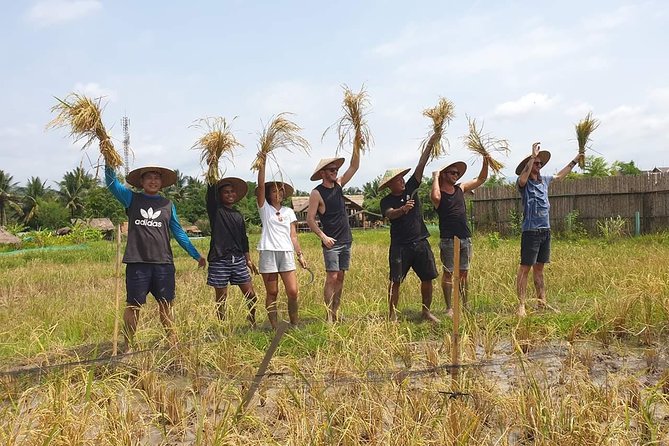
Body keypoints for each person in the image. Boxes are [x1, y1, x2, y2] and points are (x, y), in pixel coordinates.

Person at [105, 164, 206, 353]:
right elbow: (111, 184)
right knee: (133, 305)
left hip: (163, 264)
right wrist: (108, 158)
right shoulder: (131, 199)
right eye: (149, 177)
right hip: (138, 263)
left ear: (161, 183)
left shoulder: (168, 205)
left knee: (166, 304)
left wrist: (195, 254)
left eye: (157, 178)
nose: (153, 181)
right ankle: (127, 345)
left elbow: (178, 232)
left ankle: (172, 341)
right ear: (141, 182)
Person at [516, 142, 582, 316]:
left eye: (539, 164)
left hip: (545, 230)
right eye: (536, 163)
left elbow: (560, 176)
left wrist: (576, 159)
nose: (538, 166)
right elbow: (523, 179)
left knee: (539, 268)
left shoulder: (544, 181)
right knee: (525, 267)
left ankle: (542, 302)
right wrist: (531, 156)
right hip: (531, 231)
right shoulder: (524, 183)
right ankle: (521, 305)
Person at [379, 137, 440, 323]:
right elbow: (390, 214)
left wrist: (431, 143)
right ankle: (392, 315)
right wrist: (403, 210)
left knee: (428, 278)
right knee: (395, 281)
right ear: (390, 185)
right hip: (400, 246)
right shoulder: (386, 201)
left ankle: (426, 312)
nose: (402, 181)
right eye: (398, 180)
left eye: (402, 178)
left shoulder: (411, 187)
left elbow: (421, 164)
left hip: (420, 241)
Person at [306, 150, 361, 323]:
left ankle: (336, 311)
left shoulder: (338, 185)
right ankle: (328, 315)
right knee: (332, 277)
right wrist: (323, 237)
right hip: (331, 242)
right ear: (323, 173)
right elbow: (310, 219)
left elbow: (354, 166)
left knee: (341, 277)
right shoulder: (316, 193)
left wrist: (356, 143)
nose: (334, 172)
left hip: (346, 239)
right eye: (331, 170)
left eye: (336, 169)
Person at [431, 157, 488, 316]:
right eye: (452, 172)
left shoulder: (460, 188)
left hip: (465, 237)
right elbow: (435, 198)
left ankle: (465, 305)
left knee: (464, 272)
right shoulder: (439, 193)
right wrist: (435, 177)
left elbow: (481, 178)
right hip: (448, 239)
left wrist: (485, 161)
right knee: (448, 272)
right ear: (444, 175)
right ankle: (449, 307)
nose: (456, 175)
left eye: (457, 173)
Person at [256, 156, 307, 329]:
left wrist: (300, 254)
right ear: (269, 194)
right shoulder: (265, 209)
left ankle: (295, 323)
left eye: (280, 191)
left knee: (292, 291)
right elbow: (261, 186)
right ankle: (275, 326)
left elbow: (293, 235)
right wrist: (262, 163)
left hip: (286, 253)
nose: (277, 194)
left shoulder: (289, 211)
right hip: (268, 252)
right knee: (272, 292)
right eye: (274, 191)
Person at [206, 177, 258, 325]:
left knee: (252, 295)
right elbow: (210, 194)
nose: (230, 194)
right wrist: (213, 167)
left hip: (238, 259)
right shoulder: (216, 211)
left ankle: (252, 318)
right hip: (220, 259)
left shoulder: (238, 215)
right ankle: (223, 325)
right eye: (226, 192)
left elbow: (243, 239)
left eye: (232, 192)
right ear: (219, 196)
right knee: (222, 297)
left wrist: (248, 259)